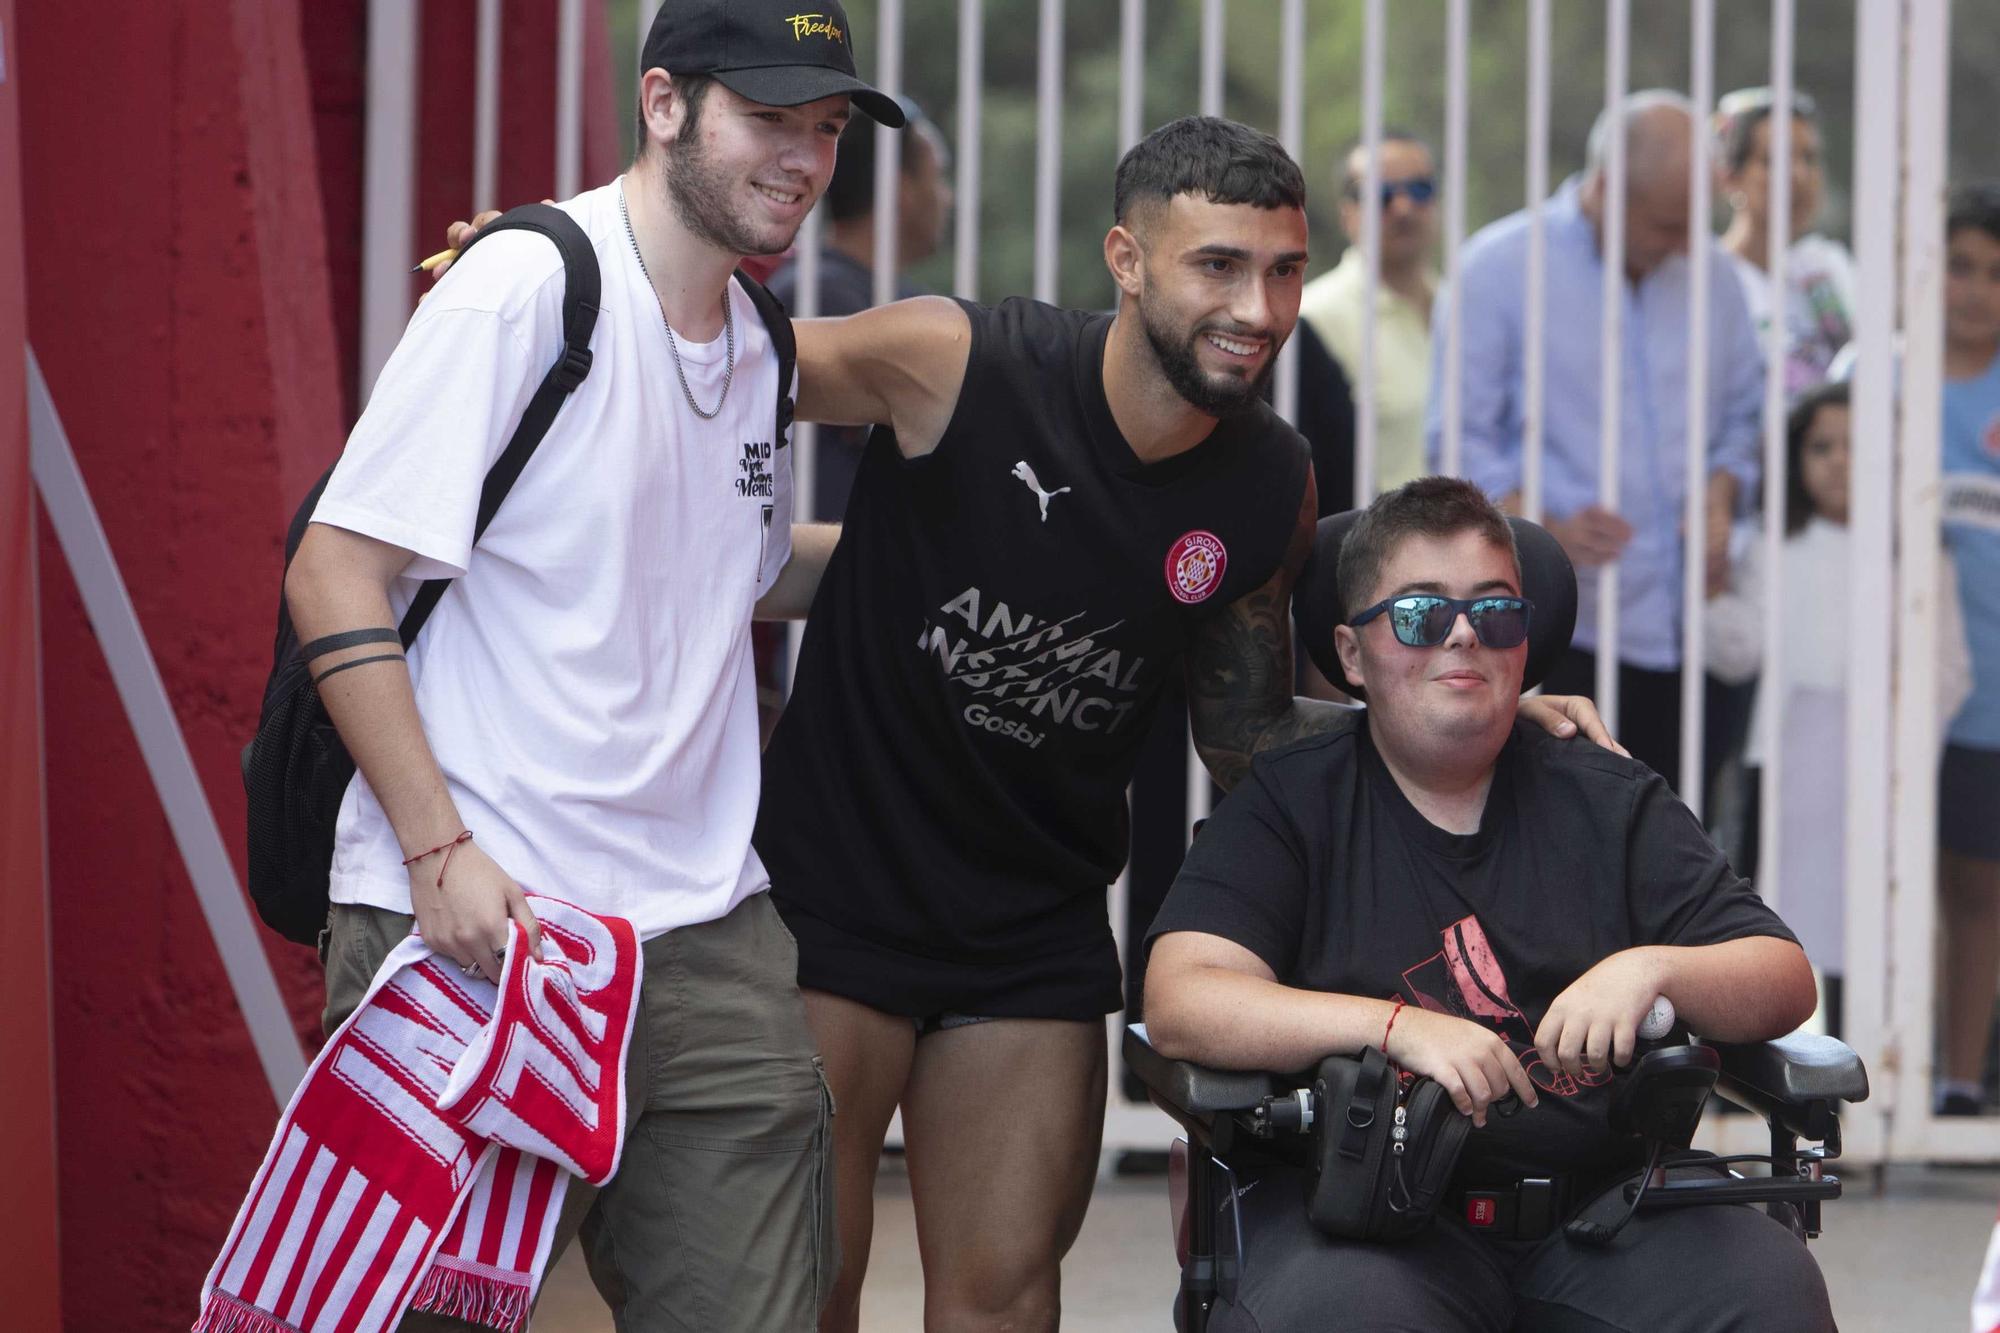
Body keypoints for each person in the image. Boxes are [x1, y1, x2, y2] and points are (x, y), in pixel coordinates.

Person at [751, 117, 1614, 1332]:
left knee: (1000, 1301)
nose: (1257, 308)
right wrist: (559, 280)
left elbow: (1244, 730)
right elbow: (724, 357)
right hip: (829, 905)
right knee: (797, 1293)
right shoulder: (960, 360)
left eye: (1281, 269)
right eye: (1216, 264)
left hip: (1028, 934)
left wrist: (1475, 713)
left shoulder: (1268, 479)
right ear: (1126, 258)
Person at [284, 3, 902, 1326]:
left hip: (701, 936)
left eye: (829, 129)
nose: (804, 157)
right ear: (664, 101)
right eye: (771, 118)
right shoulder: (529, 286)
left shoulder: (753, 343)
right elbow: (336, 570)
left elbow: (709, 571)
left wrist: (955, 574)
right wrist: (438, 850)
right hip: (473, 917)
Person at [1144, 476, 1829, 1332]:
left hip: (1604, 1212)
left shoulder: (1608, 796)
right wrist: (1395, 1027)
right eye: (1420, 614)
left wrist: (1652, 968)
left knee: (1768, 1290)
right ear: (1353, 656)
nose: (1463, 633)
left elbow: (1781, 973)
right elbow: (1182, 994)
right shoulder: (1295, 801)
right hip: (1364, 1217)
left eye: (1496, 614)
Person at [1431, 90, 1766, 793]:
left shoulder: (1717, 281)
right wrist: (1537, 526)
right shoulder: (1498, 269)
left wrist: (1721, 490)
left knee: (1677, 860)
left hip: (1695, 625)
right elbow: (1459, 437)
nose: (1684, 245)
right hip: (1561, 629)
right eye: (1668, 224)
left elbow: (1743, 415)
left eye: (1693, 223)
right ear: (1607, 187)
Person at [1705, 382, 1971, 1033]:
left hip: (1881, 765)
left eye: (1857, 445)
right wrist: (1711, 590)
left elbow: (1949, 668)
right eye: (1822, 446)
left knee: (1871, 917)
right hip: (1787, 761)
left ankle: (1868, 1054)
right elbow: (1739, 652)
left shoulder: (1915, 558)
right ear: (1795, 460)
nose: (1839, 461)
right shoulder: (1773, 549)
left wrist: (1907, 735)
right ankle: (1765, 1055)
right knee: (1769, 909)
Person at [768, 97, 954, 520]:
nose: (948, 197)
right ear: (900, 188)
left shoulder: (891, 297)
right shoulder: (817, 295)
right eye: (938, 177)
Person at [1938, 183, 2000, 1116]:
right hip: (1898, 684)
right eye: (1961, 265)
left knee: (1979, 885)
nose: (1980, 288)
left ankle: (1952, 1080)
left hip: (1990, 685)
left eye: (1996, 271)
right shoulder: (1886, 371)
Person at [1300, 131, 1438, 496]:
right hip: (1382, 543)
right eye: (1382, 194)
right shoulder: (1312, 319)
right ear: (1348, 213)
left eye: (1420, 190)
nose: (1404, 207)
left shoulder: (1463, 307)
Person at [1716, 87, 1857, 395]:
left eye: (1809, 159)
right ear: (1729, 176)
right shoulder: (1710, 281)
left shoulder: (1827, 268)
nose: (1798, 176)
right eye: (1773, 161)